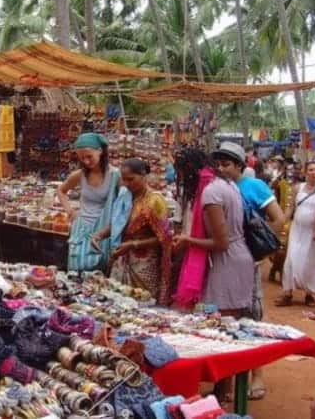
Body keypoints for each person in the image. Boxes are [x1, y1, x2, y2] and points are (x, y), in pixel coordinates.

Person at [211, 141, 286, 401]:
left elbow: (278, 218)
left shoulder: (253, 187)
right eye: (218, 164)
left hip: (246, 262)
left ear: (241, 166)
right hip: (223, 262)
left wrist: (260, 252)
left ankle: (257, 377)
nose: (221, 168)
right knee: (223, 317)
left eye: (227, 164)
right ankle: (226, 381)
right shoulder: (217, 187)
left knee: (251, 317)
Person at [174, 148, 255, 316]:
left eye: (182, 175)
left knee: (221, 322)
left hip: (228, 264)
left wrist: (187, 240)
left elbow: (221, 243)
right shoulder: (226, 183)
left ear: (191, 170)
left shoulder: (211, 192)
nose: (182, 181)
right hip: (236, 258)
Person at [92, 158, 172, 305]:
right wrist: (99, 235)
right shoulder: (124, 196)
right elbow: (117, 224)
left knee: (142, 304)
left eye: (131, 179)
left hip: (144, 266)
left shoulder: (155, 201)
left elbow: (164, 238)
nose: (127, 184)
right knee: (116, 303)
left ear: (143, 175)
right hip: (121, 259)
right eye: (124, 180)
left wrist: (133, 244)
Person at [58, 133, 120, 272]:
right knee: (76, 269)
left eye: (89, 156)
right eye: (81, 158)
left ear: (100, 151)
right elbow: (61, 190)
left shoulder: (116, 176)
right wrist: (70, 211)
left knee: (99, 272)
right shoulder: (80, 175)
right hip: (81, 229)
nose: (86, 161)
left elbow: (122, 206)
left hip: (103, 231)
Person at [275, 162, 315, 311]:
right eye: (311, 170)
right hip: (297, 229)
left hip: (314, 232)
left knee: (311, 263)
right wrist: (283, 222)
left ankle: (309, 294)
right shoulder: (297, 188)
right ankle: (287, 293)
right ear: (305, 172)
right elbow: (290, 208)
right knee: (290, 260)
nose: (313, 173)